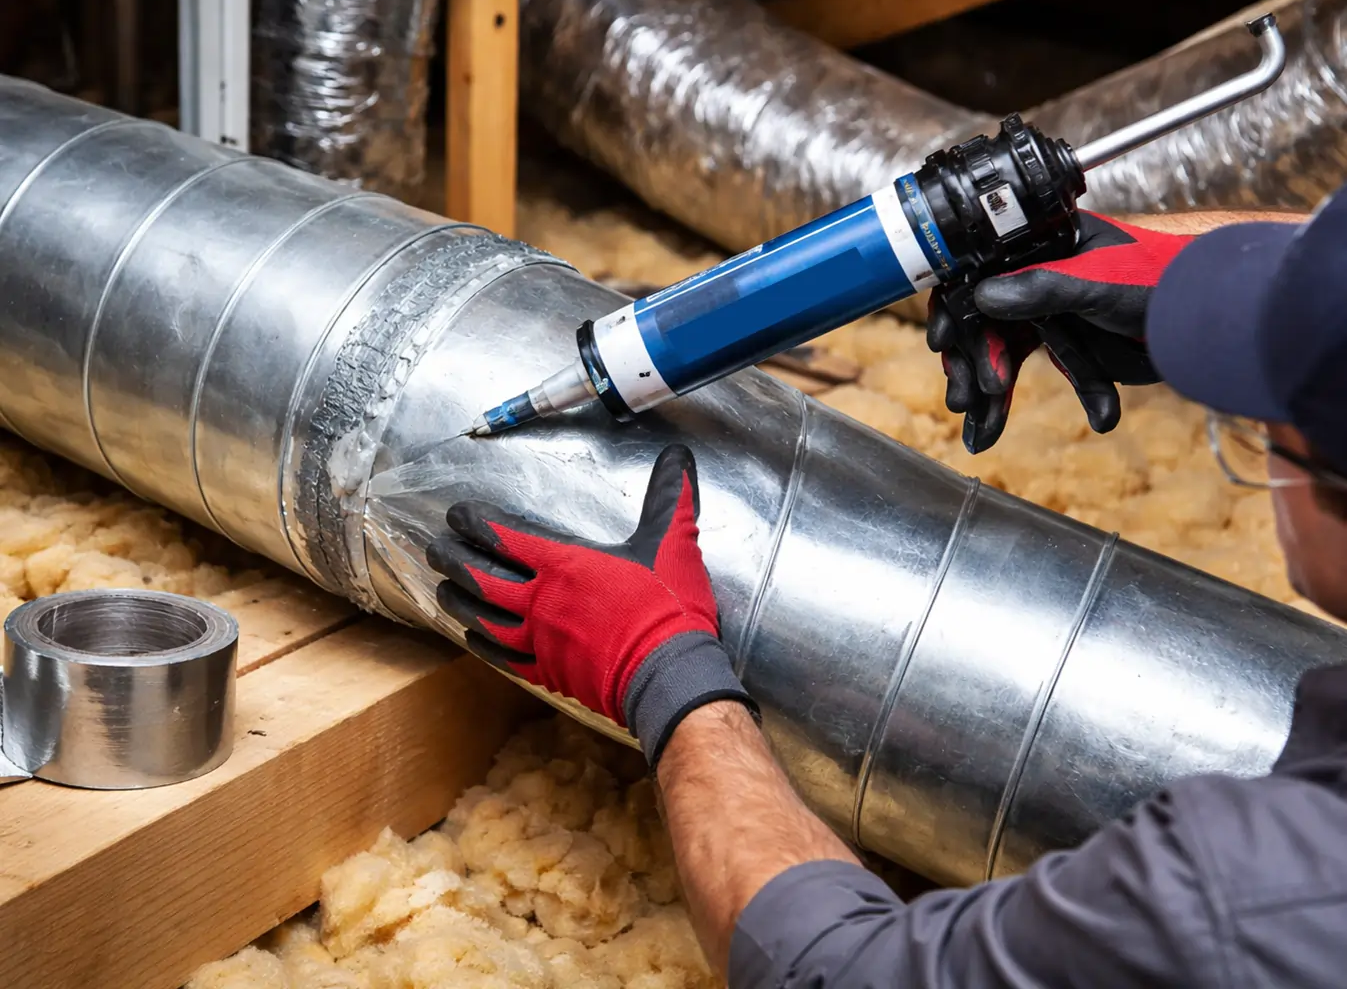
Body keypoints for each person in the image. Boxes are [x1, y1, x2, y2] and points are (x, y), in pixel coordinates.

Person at [426, 191, 1347, 987]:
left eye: (1263, 432)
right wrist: (1184, 271)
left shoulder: (1248, 892)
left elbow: (837, 970)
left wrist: (666, 677)